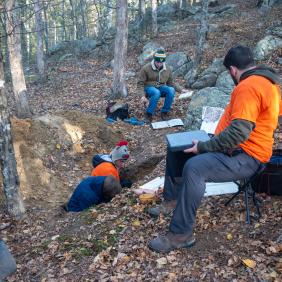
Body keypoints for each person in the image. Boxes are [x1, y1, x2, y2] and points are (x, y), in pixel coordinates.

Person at [148, 45, 282, 253]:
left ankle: (180, 235)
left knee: (195, 167)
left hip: (247, 156)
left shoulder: (248, 87)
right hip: (234, 148)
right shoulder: (269, 84)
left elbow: (238, 133)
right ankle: (172, 202)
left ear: (233, 70)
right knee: (177, 149)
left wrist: (204, 147)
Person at [137, 49, 188, 122]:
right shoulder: (146, 68)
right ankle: (148, 114)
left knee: (171, 90)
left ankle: (165, 112)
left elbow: (171, 83)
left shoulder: (167, 69)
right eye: (157, 62)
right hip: (149, 88)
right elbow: (140, 83)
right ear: (154, 60)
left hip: (160, 88)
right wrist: (142, 96)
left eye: (161, 62)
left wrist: (181, 90)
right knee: (156, 92)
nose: (159, 64)